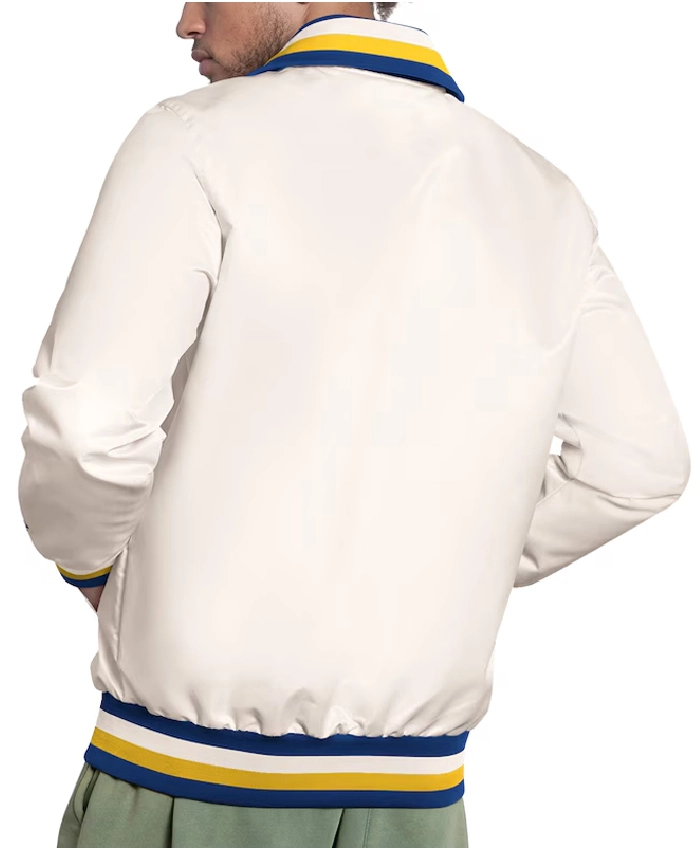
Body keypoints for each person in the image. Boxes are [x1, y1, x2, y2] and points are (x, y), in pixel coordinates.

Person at [17, 2, 690, 848]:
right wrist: (437, 562)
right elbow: (638, 463)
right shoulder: (542, 193)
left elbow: (85, 427)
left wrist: (92, 562)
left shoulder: (193, 138)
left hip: (189, 778)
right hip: (415, 803)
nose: (186, 21)